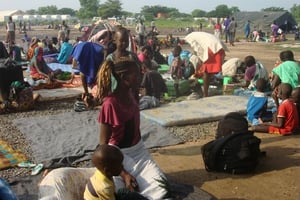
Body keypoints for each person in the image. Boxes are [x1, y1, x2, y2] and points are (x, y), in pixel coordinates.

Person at [96, 58, 168, 199]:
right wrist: (123, 173)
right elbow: (103, 147)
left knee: (161, 187)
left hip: (139, 153)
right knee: (118, 192)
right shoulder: (110, 104)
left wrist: (142, 153)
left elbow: (135, 129)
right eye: (136, 75)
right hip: (117, 157)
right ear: (123, 77)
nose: (140, 77)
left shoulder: (131, 94)